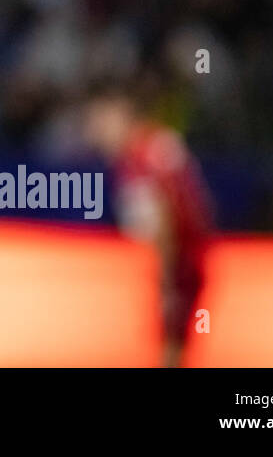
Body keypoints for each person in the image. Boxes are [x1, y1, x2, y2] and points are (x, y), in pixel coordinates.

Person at [82, 78, 214, 367]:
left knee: (169, 348)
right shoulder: (156, 144)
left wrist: (165, 282)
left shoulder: (139, 159)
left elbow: (163, 220)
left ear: (122, 113)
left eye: (101, 120)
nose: (96, 131)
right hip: (189, 260)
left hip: (180, 264)